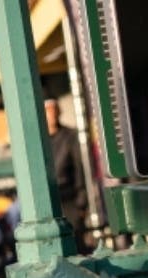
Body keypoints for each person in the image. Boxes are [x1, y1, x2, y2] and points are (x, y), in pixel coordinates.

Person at [44, 98, 89, 254]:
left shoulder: (70, 136)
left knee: (76, 242)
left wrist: (82, 201)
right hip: (48, 201)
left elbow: (79, 169)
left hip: (70, 199)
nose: (52, 115)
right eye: (48, 111)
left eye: (54, 110)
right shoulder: (40, 140)